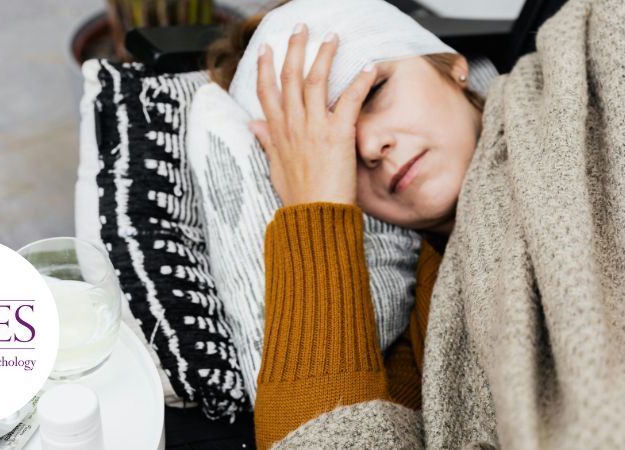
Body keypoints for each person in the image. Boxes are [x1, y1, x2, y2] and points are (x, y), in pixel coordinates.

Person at [206, 1, 486, 448]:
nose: (371, 145)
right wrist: (315, 211)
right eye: (328, 151)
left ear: (450, 64)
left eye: (374, 91)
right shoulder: (425, 344)